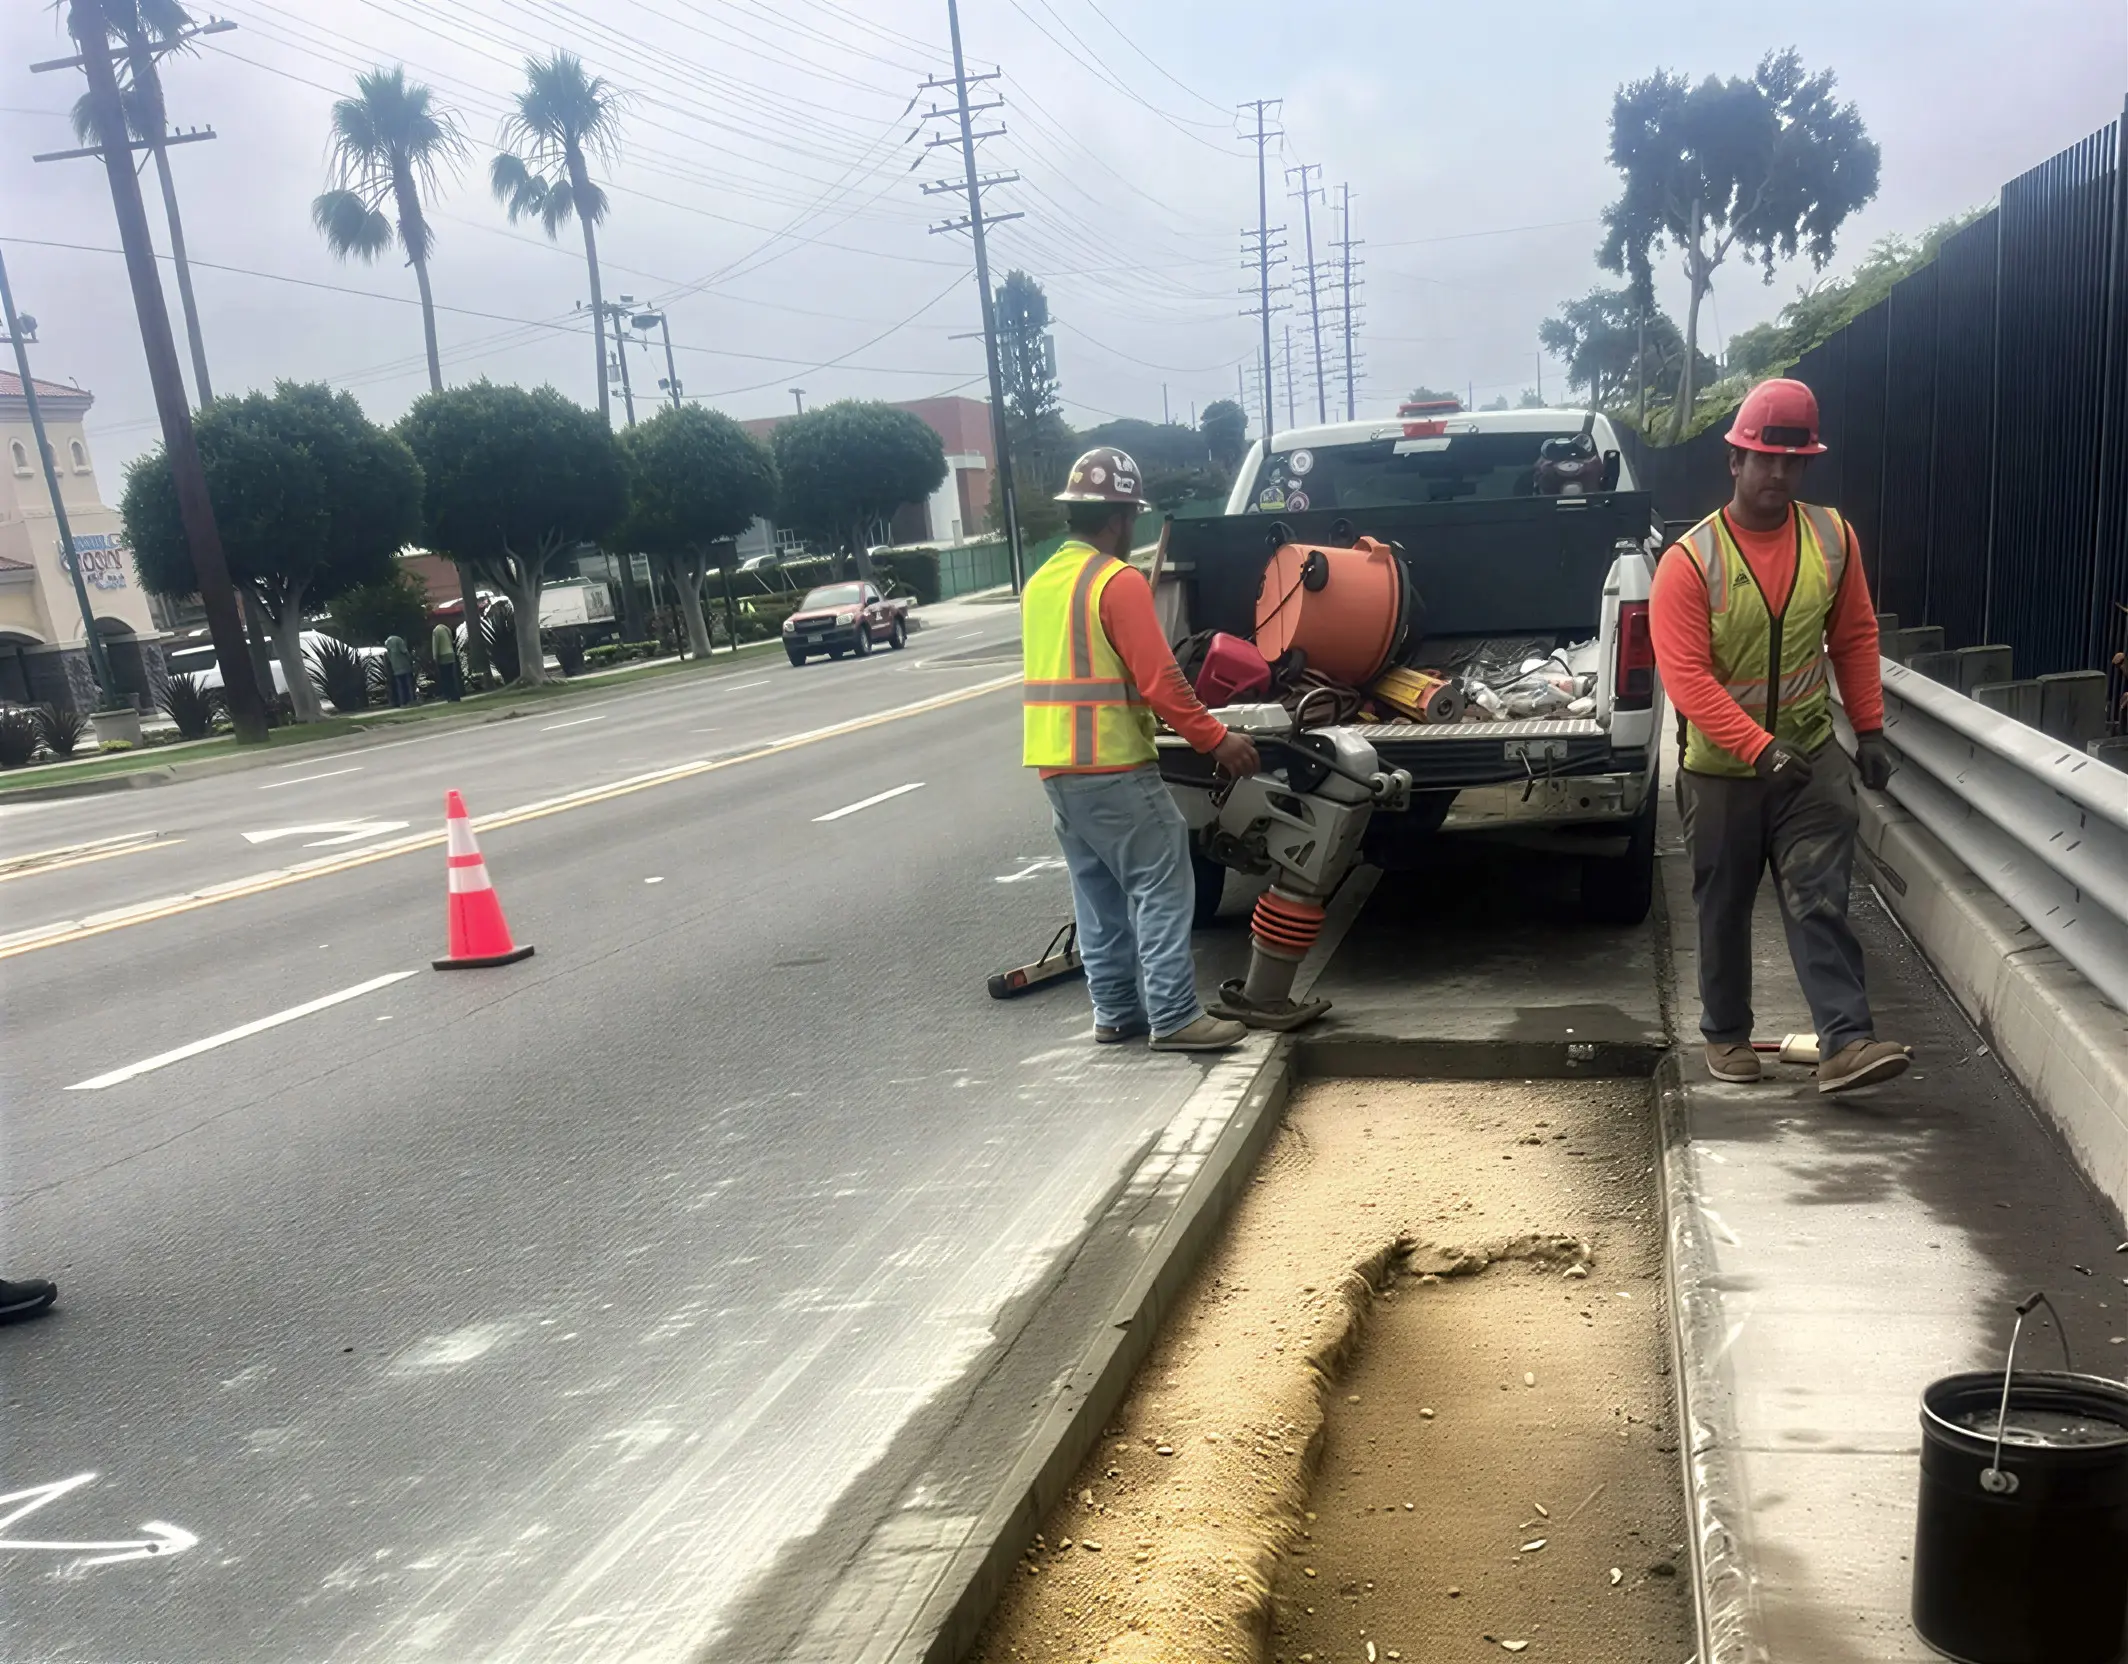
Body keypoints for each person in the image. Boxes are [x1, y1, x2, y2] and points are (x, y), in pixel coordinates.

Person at [1650, 377, 1909, 1095]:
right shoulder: (1690, 562)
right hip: (1723, 774)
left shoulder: (1832, 539)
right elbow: (1688, 680)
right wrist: (1757, 747)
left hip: (1809, 764)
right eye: (1763, 459)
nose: (1778, 474)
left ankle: (1846, 1043)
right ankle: (1726, 1034)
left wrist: (1871, 729)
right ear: (1734, 461)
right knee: (1724, 906)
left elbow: (1854, 637)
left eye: (1792, 462)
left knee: (1818, 896)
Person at [1025, 446, 1263, 1053]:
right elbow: (1163, 681)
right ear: (1118, 518)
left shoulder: (1042, 582)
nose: (1134, 526)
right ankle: (1176, 1016)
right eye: (1132, 515)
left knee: (1099, 893)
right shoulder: (1116, 580)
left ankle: (1116, 1012)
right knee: (1162, 882)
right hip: (1113, 764)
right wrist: (1217, 740)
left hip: (1057, 768)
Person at [432, 618, 462, 703]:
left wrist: (435, 657)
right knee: (451, 677)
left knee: (445, 677)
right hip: (450, 654)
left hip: (443, 655)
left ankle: (449, 696)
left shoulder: (436, 631)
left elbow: (435, 645)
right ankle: (456, 696)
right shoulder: (446, 628)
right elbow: (452, 641)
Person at [383, 632, 416, 707]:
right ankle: (410, 701)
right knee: (408, 684)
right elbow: (405, 652)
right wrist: (410, 659)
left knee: (400, 686)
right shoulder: (399, 640)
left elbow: (389, 657)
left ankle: (402, 703)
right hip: (404, 666)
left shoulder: (387, 642)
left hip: (396, 668)